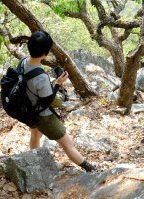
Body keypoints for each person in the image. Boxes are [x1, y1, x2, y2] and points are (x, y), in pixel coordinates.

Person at [24, 31, 97, 172]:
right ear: (45, 53)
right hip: (43, 116)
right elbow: (48, 101)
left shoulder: (22, 62)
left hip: (27, 109)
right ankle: (90, 169)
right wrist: (58, 83)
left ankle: (35, 160)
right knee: (68, 143)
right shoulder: (41, 78)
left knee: (35, 134)